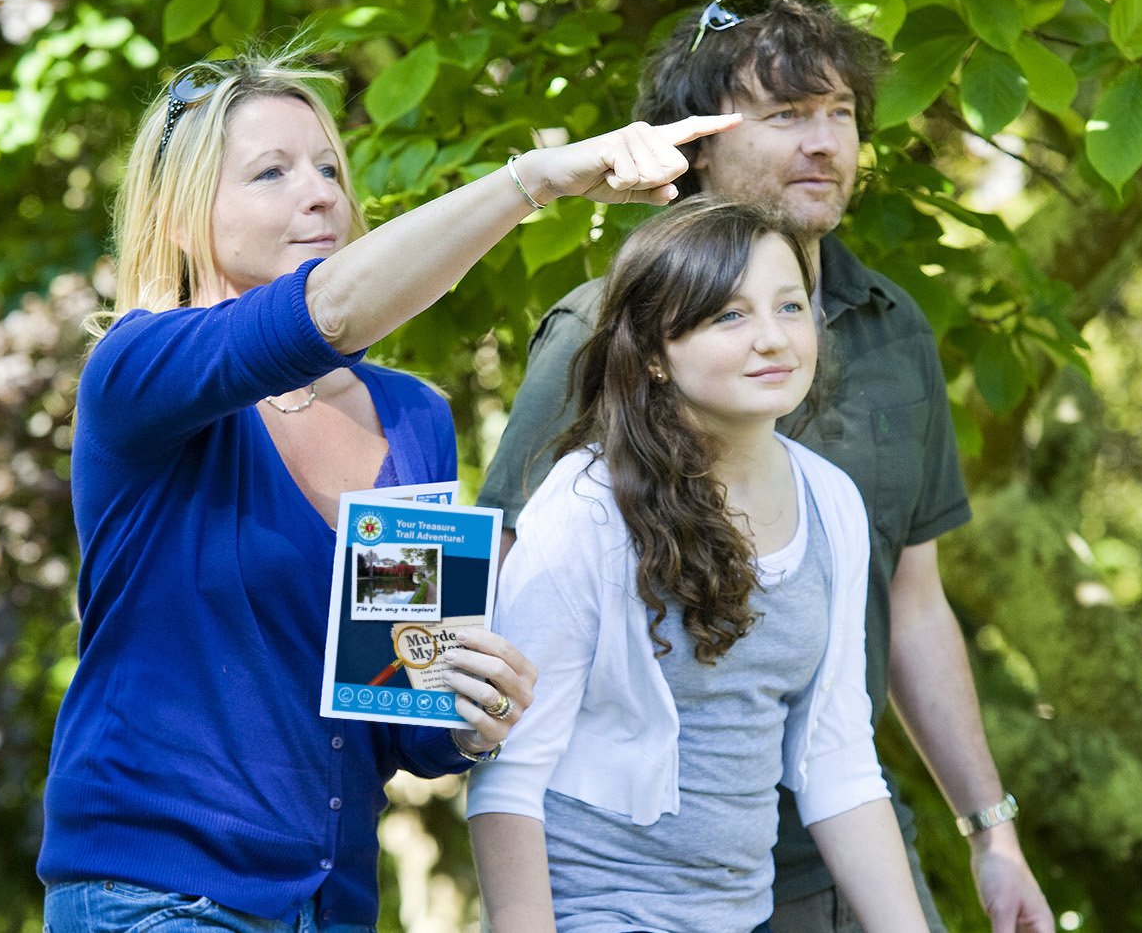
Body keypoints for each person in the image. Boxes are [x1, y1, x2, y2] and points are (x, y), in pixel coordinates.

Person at [36, 47, 736, 931]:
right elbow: (325, 314)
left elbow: (400, 704)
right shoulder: (139, 372)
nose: (321, 192)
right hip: (157, 895)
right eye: (272, 173)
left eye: (329, 166)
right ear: (182, 216)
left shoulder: (410, 419)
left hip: (331, 906)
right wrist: (539, 180)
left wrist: (472, 711)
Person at [473, 0, 1053, 931]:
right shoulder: (602, 330)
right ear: (694, 142)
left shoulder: (892, 327)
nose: (823, 142)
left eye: (841, 114)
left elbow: (911, 600)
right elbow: (509, 599)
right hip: (623, 854)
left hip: (837, 818)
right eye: (785, 116)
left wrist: (991, 830)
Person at [469, 198, 930, 933]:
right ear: (654, 351)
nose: (774, 339)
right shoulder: (588, 506)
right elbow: (508, 774)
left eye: (789, 306)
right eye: (730, 316)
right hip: (596, 914)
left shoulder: (831, 500)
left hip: (743, 917)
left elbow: (837, 763)